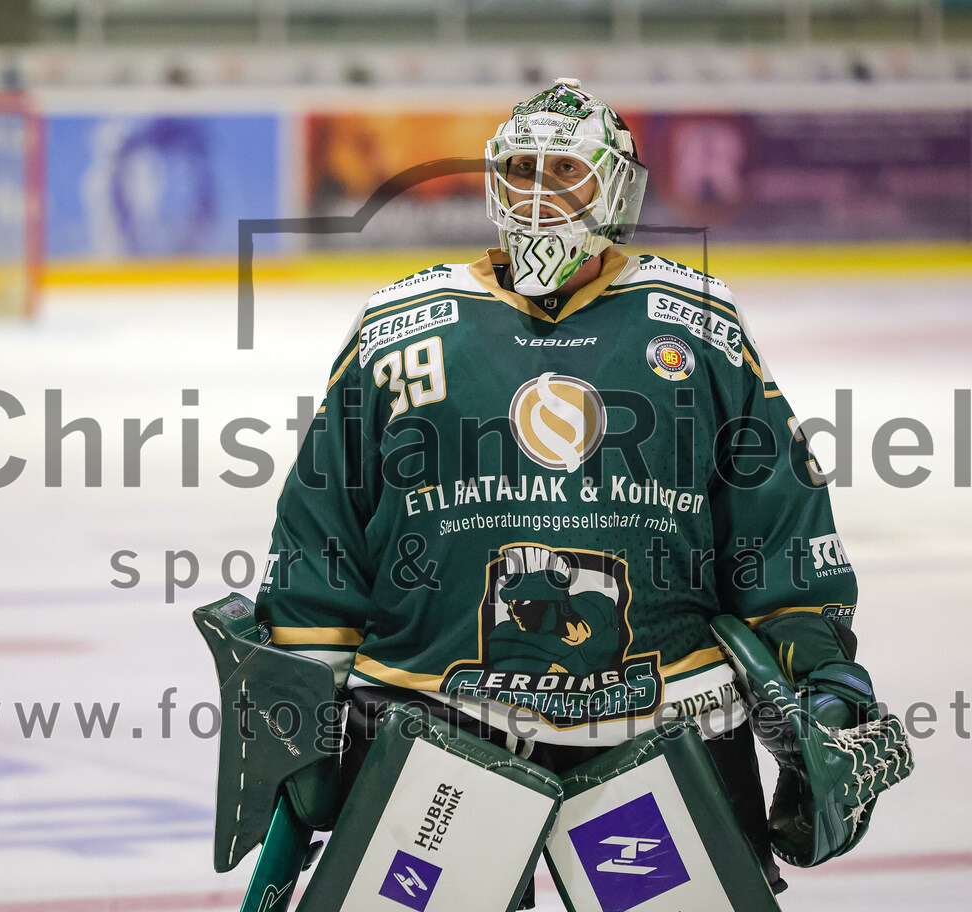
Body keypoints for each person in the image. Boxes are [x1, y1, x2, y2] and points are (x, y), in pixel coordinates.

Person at [254, 78, 866, 901]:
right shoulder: (399, 327)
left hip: (663, 721)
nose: (539, 199)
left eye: (565, 175)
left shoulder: (698, 324)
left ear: (613, 189)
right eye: (520, 173)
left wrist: (819, 667)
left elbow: (777, 523)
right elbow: (321, 536)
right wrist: (301, 717)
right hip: (431, 719)